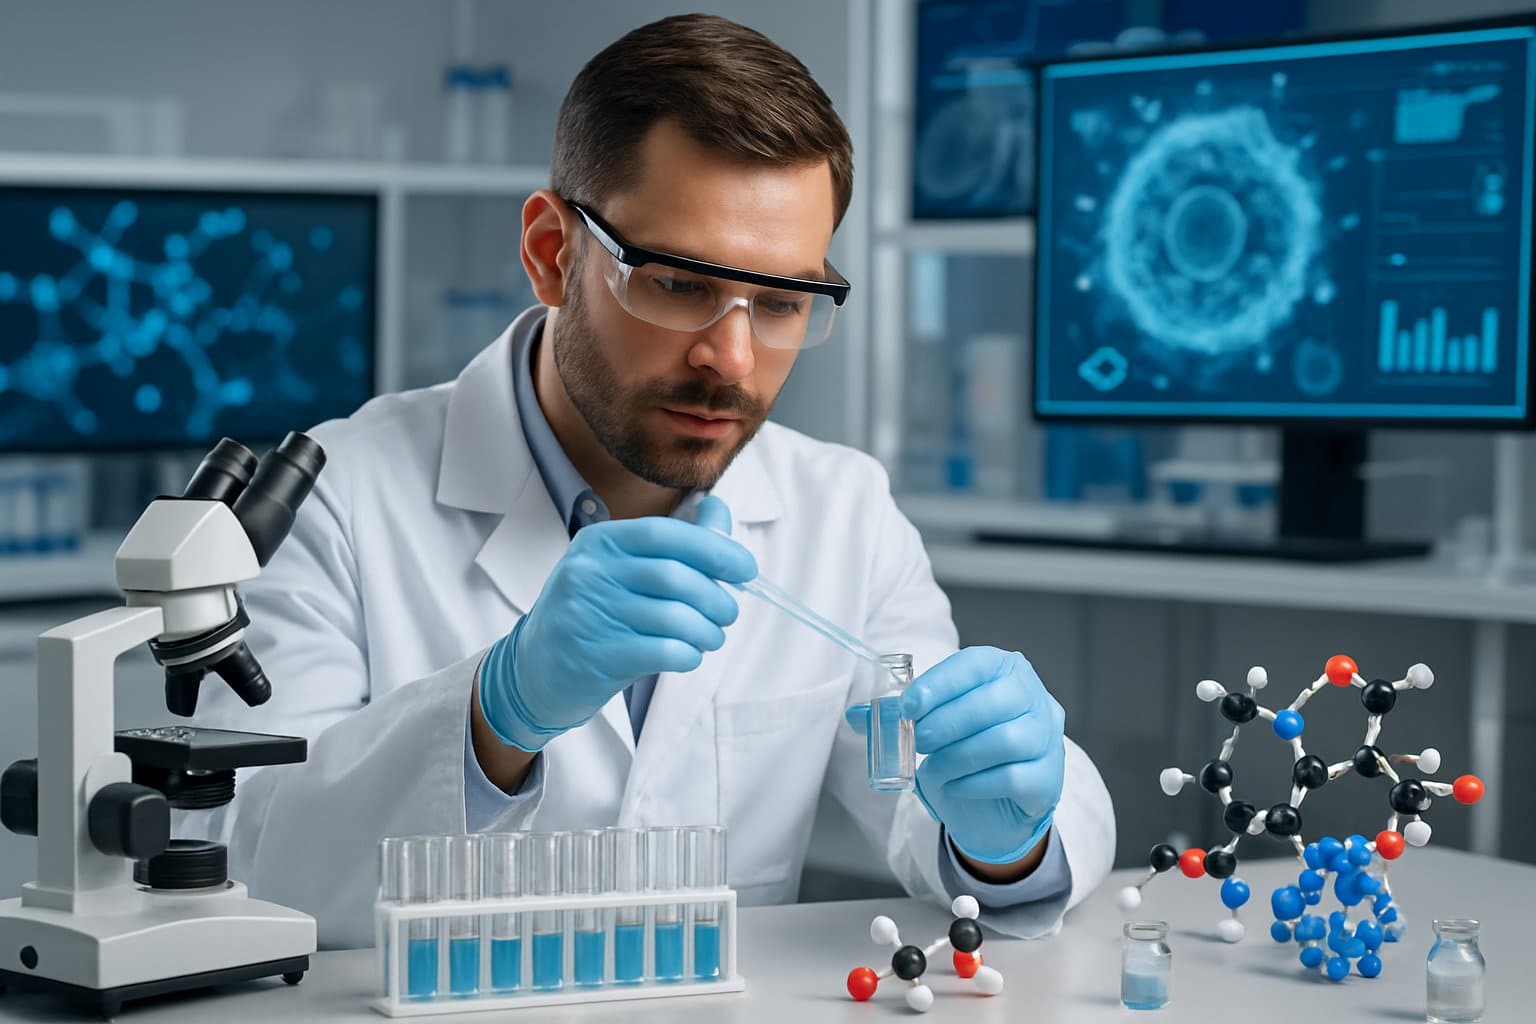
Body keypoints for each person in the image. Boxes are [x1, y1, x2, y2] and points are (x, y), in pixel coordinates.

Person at [189, 13, 1114, 948]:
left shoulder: (845, 514)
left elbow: (920, 797)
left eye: (782, 302)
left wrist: (1005, 838)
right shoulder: (336, 499)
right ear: (552, 253)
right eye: (679, 284)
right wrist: (493, 717)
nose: (732, 359)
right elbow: (248, 859)